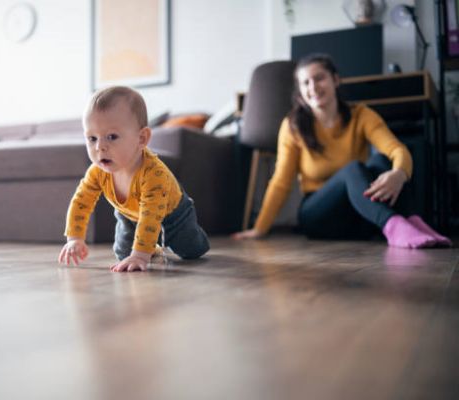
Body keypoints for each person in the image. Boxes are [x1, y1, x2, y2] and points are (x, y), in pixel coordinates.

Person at [233, 53, 451, 248]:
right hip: (318, 216)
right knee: (354, 169)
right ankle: (394, 226)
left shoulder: (361, 115)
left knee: (381, 164)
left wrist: (399, 174)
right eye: (305, 83)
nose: (313, 87)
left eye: (319, 78)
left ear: (335, 80)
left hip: (359, 213)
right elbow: (281, 181)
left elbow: (396, 149)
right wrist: (260, 228)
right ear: (300, 91)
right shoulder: (293, 126)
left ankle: (412, 223)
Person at [58, 86, 210, 272]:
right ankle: (150, 245)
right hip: (129, 214)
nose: (100, 147)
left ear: (141, 139)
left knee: (191, 250)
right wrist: (75, 238)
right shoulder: (97, 172)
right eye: (92, 138)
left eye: (112, 137)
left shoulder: (154, 174)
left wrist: (140, 255)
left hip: (174, 214)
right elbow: (81, 201)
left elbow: (151, 215)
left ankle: (195, 236)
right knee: (123, 254)